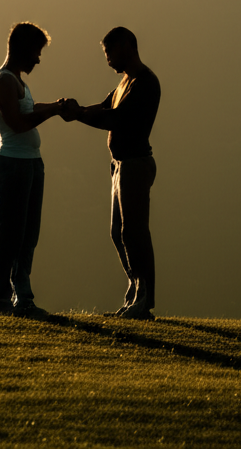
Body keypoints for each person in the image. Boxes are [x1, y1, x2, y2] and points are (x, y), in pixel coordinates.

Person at [62, 27, 160, 320]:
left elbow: (114, 119)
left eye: (110, 53)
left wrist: (78, 115)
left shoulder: (144, 83)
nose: (107, 60)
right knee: (119, 233)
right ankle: (135, 294)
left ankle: (144, 300)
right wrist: (77, 110)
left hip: (135, 164)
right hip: (120, 166)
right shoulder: (123, 83)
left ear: (127, 47)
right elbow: (104, 107)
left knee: (135, 232)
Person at [0, 21, 67, 317]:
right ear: (21, 48)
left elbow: (27, 110)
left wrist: (55, 107)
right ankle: (4, 301)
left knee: (28, 234)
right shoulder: (5, 81)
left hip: (30, 164)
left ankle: (24, 299)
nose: (38, 58)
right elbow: (17, 123)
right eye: (36, 51)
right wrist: (51, 112)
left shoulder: (18, 81)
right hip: (14, 164)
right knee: (9, 233)